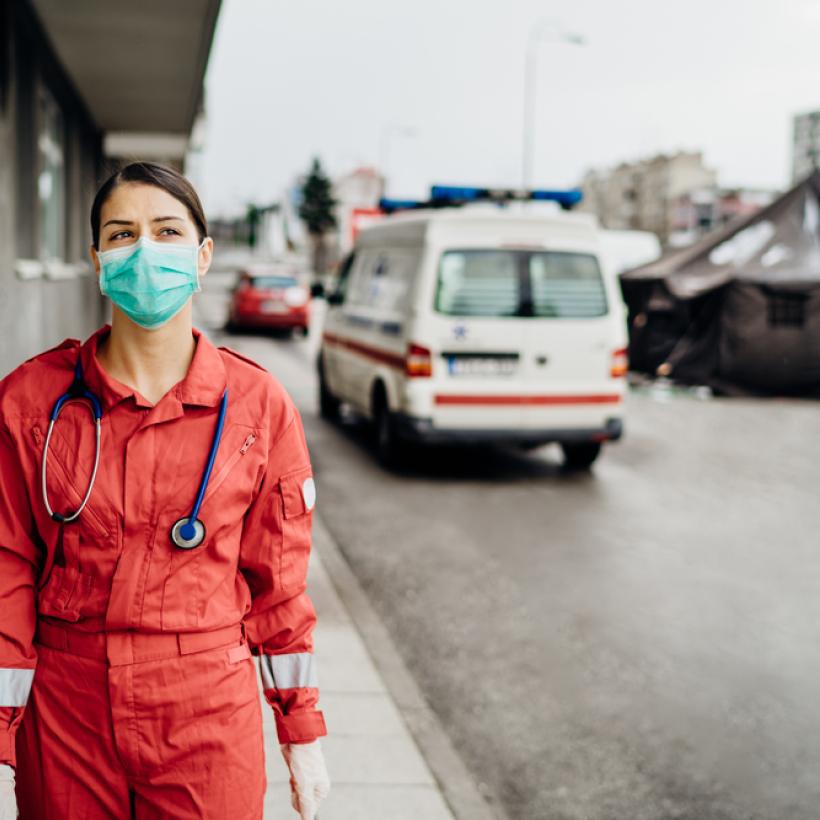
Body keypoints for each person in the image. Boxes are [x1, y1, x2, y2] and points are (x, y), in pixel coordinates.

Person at [0, 162, 330, 819]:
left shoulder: (257, 407)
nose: (144, 251)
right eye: (121, 235)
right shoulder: (31, 401)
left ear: (203, 255)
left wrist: (301, 731)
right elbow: (6, 569)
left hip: (206, 708)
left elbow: (279, 586)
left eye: (167, 231)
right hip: (67, 710)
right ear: (97, 258)